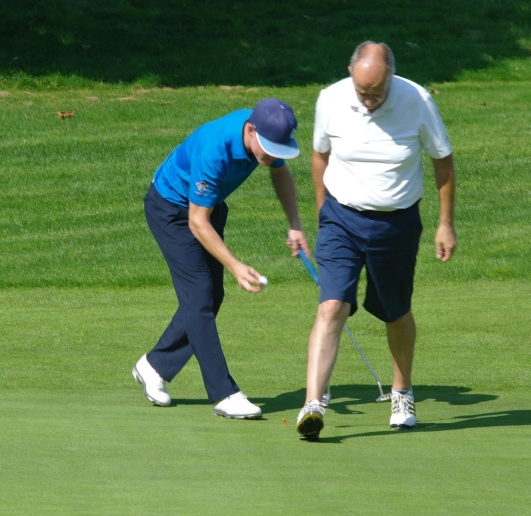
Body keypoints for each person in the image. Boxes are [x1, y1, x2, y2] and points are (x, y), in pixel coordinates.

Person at [295, 41, 457, 440]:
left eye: (376, 93)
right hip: (341, 218)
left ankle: (402, 393)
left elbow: (442, 161)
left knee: (395, 312)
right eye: (362, 91)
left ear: (391, 79)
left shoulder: (417, 100)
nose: (368, 100)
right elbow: (320, 156)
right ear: (351, 74)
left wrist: (445, 224)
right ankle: (313, 404)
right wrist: (322, 214)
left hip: (396, 223)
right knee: (332, 305)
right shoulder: (330, 98)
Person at [134, 98, 311, 419]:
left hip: (208, 206)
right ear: (251, 130)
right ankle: (224, 393)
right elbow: (196, 223)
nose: (273, 156)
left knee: (210, 297)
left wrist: (295, 223)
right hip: (171, 210)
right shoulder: (214, 150)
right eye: (269, 149)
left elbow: (280, 173)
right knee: (200, 296)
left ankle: (155, 365)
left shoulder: (265, 135)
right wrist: (236, 266)